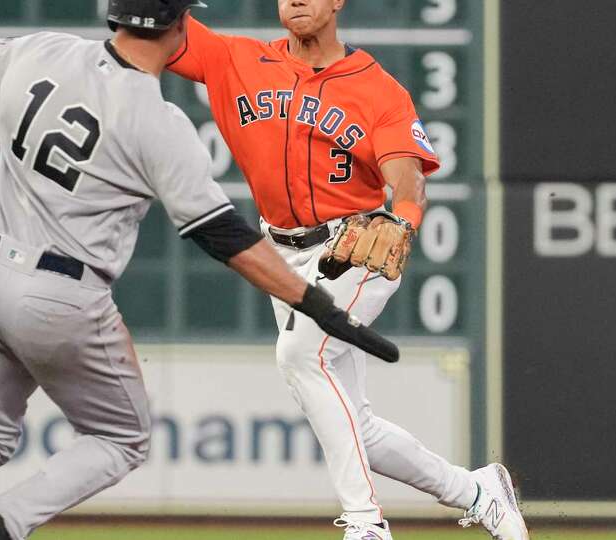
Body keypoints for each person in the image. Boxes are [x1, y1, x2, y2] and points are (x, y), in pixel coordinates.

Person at [0, 1, 399, 538]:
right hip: (59, 295)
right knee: (122, 441)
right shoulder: (156, 121)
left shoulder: (42, 51)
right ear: (180, 29)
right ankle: (4, 526)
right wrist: (317, 305)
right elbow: (225, 237)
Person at [165, 1, 529, 539]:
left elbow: (407, 179)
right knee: (355, 426)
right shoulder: (233, 60)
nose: (297, 0)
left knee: (300, 354)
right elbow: (155, 25)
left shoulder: (378, 88)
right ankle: (478, 492)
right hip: (280, 252)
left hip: (355, 248)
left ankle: (365, 523)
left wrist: (403, 221)